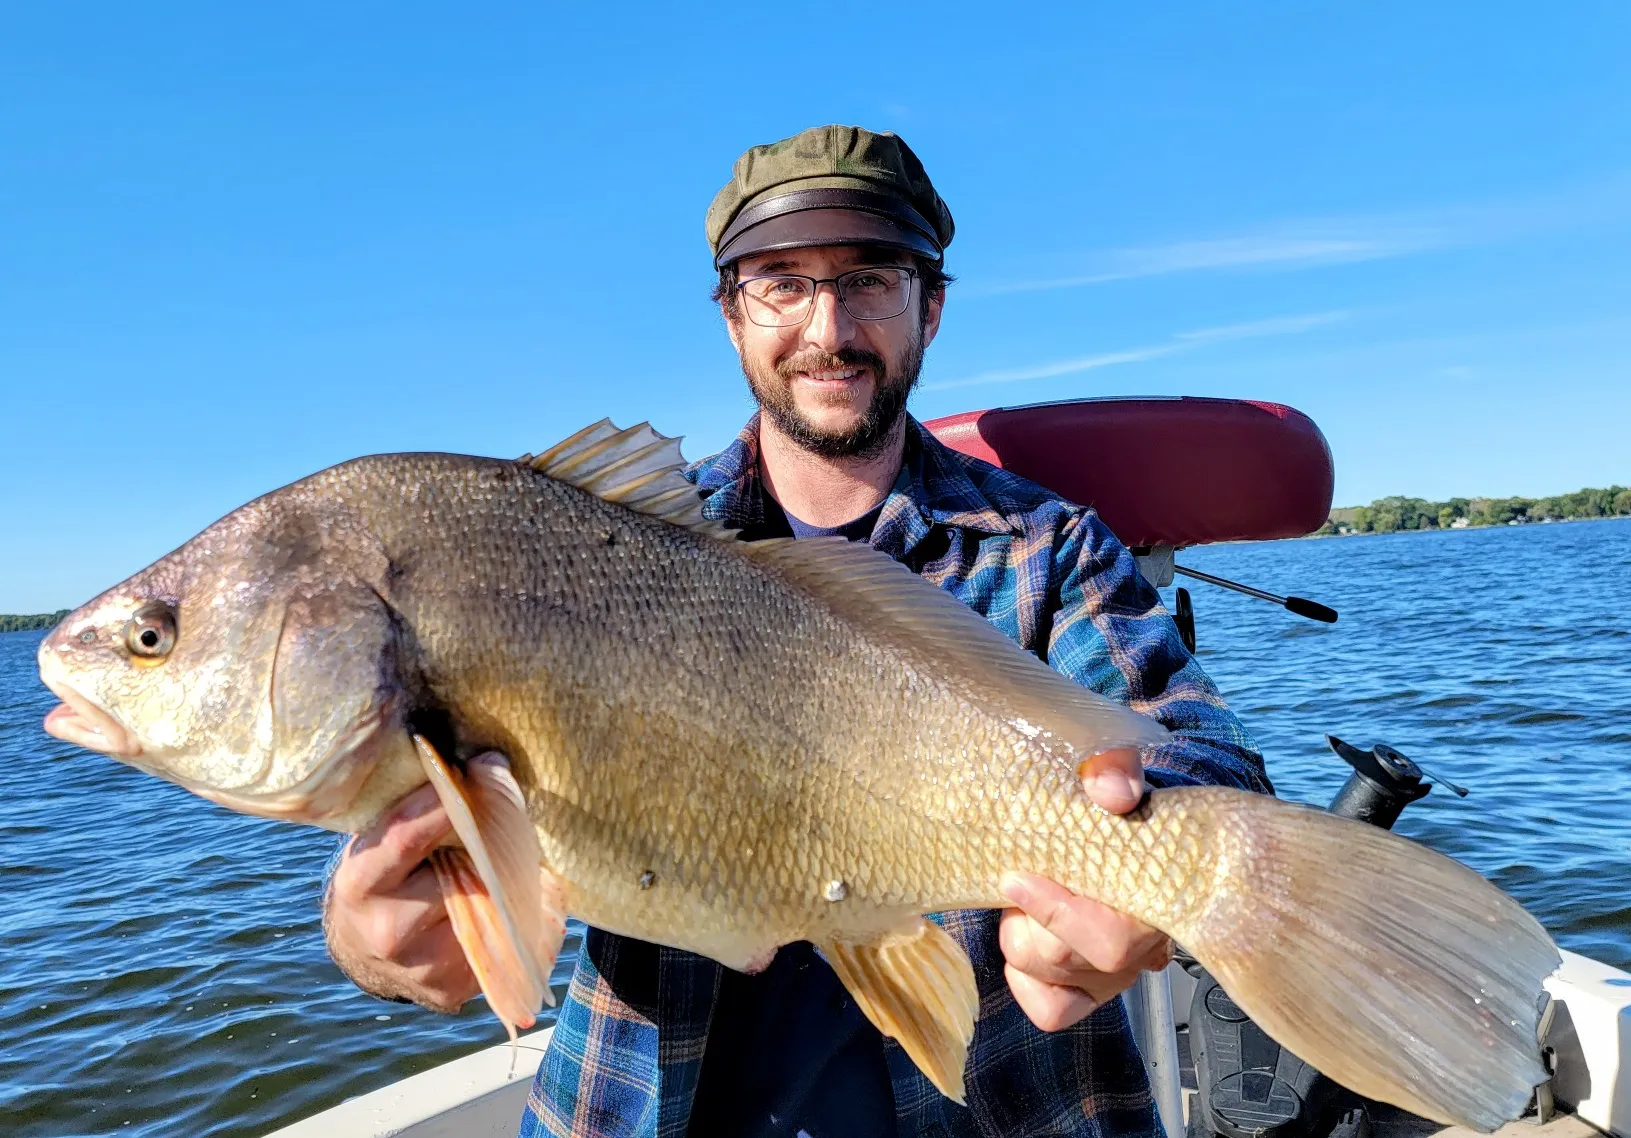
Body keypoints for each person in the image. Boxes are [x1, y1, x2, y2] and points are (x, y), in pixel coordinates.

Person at [322, 125, 1270, 1137]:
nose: (827, 327)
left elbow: (1202, 761)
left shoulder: (1045, 547)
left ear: (929, 309)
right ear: (730, 315)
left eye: (869, 278)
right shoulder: (600, 555)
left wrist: (1141, 877)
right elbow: (429, 867)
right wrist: (375, 936)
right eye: (780, 282)